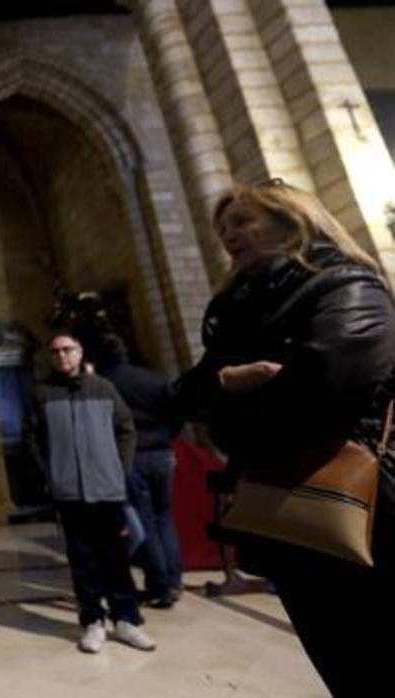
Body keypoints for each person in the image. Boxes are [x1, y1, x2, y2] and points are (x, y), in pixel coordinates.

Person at [173, 179, 395, 697]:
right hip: (286, 513)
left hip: (365, 503)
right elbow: (185, 393)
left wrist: (228, 404)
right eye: (223, 227)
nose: (229, 234)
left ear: (292, 221)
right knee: (343, 661)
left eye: (243, 221)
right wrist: (229, 382)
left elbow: (324, 390)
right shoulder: (233, 311)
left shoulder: (346, 285)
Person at [24, 331, 154, 653]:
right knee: (82, 561)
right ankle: (92, 621)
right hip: (69, 493)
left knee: (115, 557)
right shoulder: (42, 393)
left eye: (68, 349)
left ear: (80, 352)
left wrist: (118, 470)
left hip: (107, 490)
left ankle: (126, 620)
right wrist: (49, 475)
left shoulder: (104, 388)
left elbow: (126, 430)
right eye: (55, 352)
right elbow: (32, 438)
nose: (62, 356)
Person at [95, 333, 184, 608]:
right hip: (162, 454)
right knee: (165, 517)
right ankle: (174, 579)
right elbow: (177, 412)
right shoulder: (154, 379)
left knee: (145, 522)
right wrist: (166, 438)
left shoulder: (103, 385)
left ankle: (158, 586)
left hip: (132, 457)